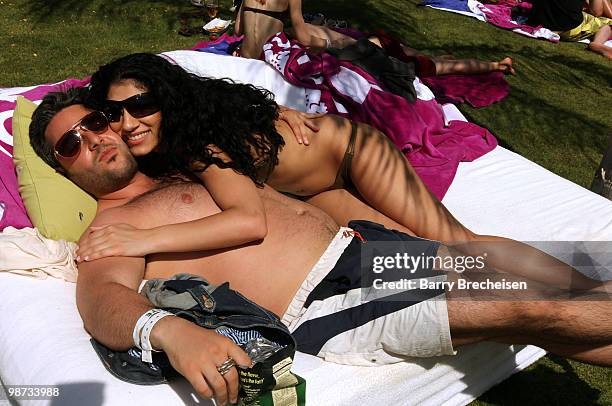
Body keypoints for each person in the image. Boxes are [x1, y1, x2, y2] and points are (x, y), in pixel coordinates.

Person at [29, 91, 612, 406]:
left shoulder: (179, 160)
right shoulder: (112, 228)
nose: (97, 139)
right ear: (63, 169)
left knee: (562, 288)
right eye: (72, 145)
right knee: (544, 305)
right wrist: (168, 330)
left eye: (98, 121)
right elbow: (102, 300)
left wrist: (273, 112)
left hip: (369, 250)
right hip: (335, 297)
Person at [79, 53, 599, 295]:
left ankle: (586, 289)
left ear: (166, 99)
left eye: (140, 105)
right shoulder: (167, 141)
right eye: (111, 114)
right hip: (315, 188)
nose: (126, 124)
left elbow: (247, 219)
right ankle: (532, 303)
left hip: (351, 152)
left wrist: (141, 236)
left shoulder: (199, 142)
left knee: (456, 240)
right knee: (417, 255)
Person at [234, 0, 516, 74]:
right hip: (296, 51)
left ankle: (492, 65)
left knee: (402, 56)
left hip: (265, 52)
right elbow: (303, 33)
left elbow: (237, 32)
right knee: (406, 58)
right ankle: (493, 65)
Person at [529, 0, 612, 58]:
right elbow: (597, 12)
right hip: (567, 26)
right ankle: (597, 43)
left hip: (537, 19)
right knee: (609, 23)